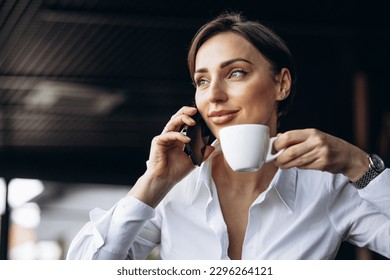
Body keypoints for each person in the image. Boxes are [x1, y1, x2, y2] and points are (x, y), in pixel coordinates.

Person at [66, 12, 389, 260]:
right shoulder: (173, 191)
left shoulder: (327, 188)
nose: (214, 95)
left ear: (281, 84)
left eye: (236, 73)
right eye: (202, 81)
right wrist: (153, 183)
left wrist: (360, 166)